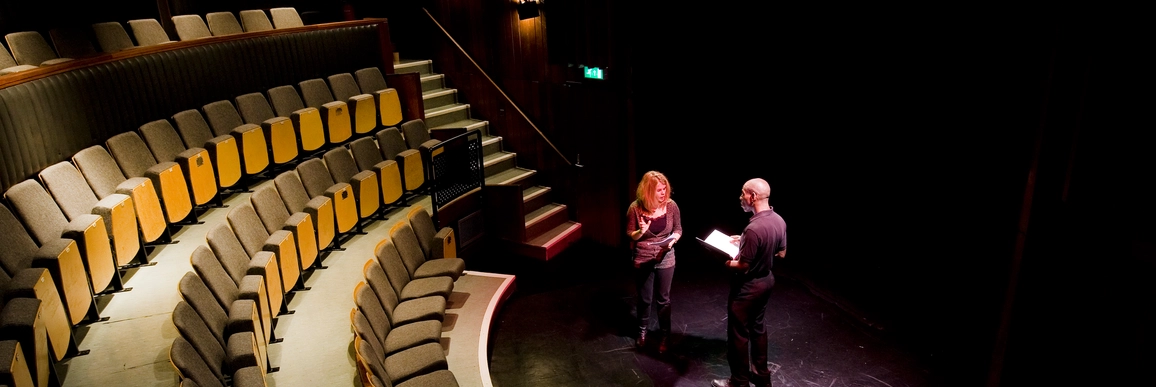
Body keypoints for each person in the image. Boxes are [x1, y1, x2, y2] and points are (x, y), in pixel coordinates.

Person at [712, 178, 787, 387]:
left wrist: (726, 261)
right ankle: (761, 375)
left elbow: (743, 266)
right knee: (758, 328)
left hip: (748, 288)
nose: (740, 197)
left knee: (738, 334)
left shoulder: (753, 229)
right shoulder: (779, 220)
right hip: (766, 282)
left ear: (752, 197)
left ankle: (739, 381)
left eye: (743, 193)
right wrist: (744, 241)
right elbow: (781, 253)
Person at [626, 170, 682, 353]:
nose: (663, 193)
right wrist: (641, 232)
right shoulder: (635, 207)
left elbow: (678, 229)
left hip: (666, 257)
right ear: (648, 191)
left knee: (663, 299)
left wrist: (672, 240)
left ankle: (665, 335)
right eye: (659, 190)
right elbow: (630, 234)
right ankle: (642, 332)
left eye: (665, 189)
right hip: (643, 258)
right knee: (644, 298)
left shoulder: (671, 206)